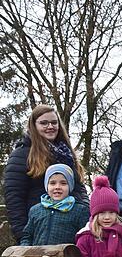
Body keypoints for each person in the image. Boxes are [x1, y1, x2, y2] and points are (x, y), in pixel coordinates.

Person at [4, 104, 88, 242]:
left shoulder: (66, 153)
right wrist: (23, 236)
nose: (50, 126)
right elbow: (14, 198)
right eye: (44, 123)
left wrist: (84, 210)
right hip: (39, 230)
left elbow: (79, 188)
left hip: (69, 229)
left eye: (54, 122)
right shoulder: (22, 155)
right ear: (34, 125)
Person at [20, 164, 90, 246]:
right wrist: (25, 251)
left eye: (63, 183)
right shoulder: (35, 210)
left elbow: (85, 237)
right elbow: (27, 235)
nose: (57, 187)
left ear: (70, 185)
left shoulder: (80, 210)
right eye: (52, 183)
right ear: (47, 185)